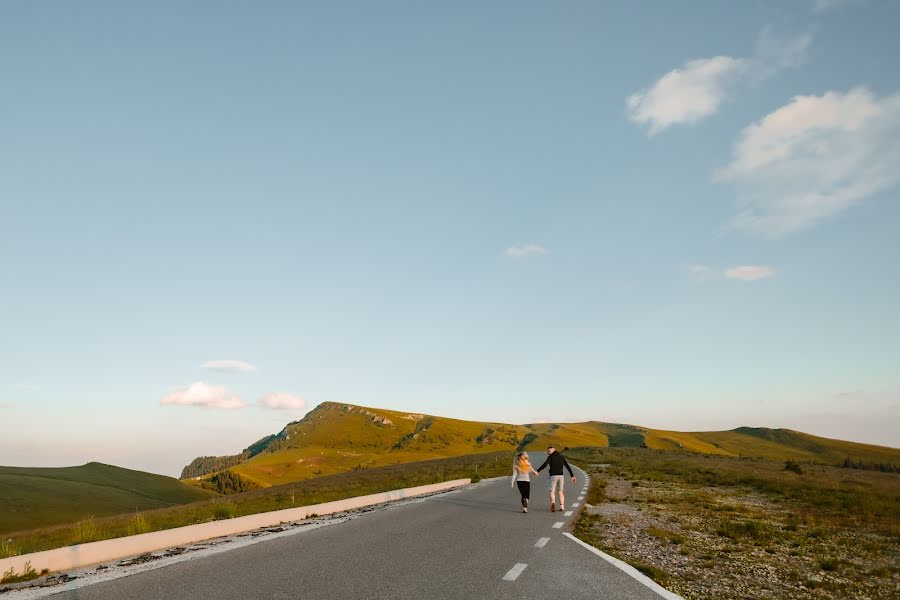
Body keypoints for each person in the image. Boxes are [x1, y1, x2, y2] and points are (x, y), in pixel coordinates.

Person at [536, 446, 576, 512]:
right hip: (561, 476)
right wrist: (572, 476)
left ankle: (553, 502)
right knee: (560, 491)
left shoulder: (550, 457)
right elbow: (567, 466)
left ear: (553, 451)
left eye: (549, 451)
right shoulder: (561, 456)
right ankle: (562, 506)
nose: (548, 452)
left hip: (553, 476)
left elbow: (545, 465)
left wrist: (537, 471)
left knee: (552, 491)